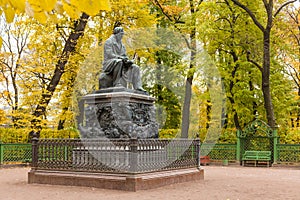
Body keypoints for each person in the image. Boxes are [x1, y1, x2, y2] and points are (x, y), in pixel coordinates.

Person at [99, 27, 145, 92]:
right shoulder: (109, 42)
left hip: (121, 61)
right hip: (109, 62)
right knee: (119, 62)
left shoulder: (122, 45)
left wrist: (128, 61)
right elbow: (110, 54)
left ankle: (138, 86)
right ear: (116, 34)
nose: (122, 36)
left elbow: (124, 55)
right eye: (121, 34)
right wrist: (121, 58)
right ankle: (117, 83)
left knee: (135, 67)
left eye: (122, 34)